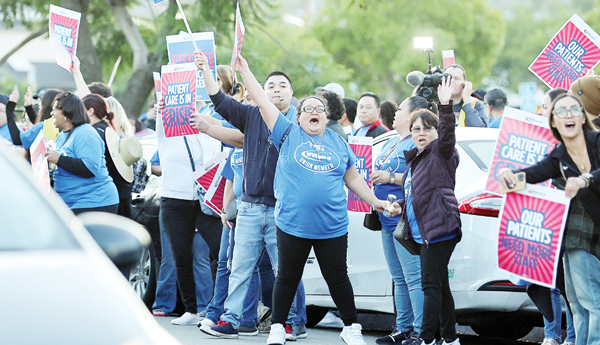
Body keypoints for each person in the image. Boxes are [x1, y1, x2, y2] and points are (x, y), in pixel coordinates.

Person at [233, 52, 391, 345]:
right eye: (306, 108)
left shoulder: (337, 142)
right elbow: (264, 101)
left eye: (318, 108)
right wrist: (244, 71)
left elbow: (353, 178)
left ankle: (351, 328)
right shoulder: (286, 132)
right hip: (293, 224)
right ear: (298, 115)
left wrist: (376, 202)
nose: (313, 111)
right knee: (286, 277)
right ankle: (279, 327)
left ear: (326, 116)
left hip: (331, 226)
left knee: (338, 278)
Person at [194, 50, 306, 340]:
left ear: (292, 93)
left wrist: (243, 71)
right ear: (262, 92)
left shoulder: (301, 122)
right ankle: (230, 320)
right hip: (251, 206)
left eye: (282, 86)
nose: (276, 90)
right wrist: (206, 69)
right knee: (239, 267)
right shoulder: (251, 114)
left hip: (284, 208)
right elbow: (219, 99)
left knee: (285, 270)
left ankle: (292, 321)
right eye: (270, 86)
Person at [498, 94, 600, 345]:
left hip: (587, 232)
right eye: (560, 112)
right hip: (568, 235)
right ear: (553, 121)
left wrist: (586, 179)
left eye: (573, 110)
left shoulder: (596, 140)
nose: (568, 116)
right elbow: (534, 174)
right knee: (576, 304)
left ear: (582, 116)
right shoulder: (561, 153)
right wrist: (510, 176)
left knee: (592, 301)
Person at [398, 77, 461, 345]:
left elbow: (448, 134)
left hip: (440, 229)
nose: (420, 133)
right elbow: (418, 196)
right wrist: (397, 207)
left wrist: (445, 106)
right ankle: (449, 338)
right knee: (441, 289)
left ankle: (425, 338)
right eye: (415, 129)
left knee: (429, 287)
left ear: (436, 131)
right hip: (426, 232)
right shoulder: (417, 159)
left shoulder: (440, 151)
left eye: (426, 128)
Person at [371, 96, 436, 344]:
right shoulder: (393, 141)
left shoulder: (416, 143)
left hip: (405, 218)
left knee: (412, 276)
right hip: (386, 218)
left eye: (400, 109)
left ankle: (420, 329)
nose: (395, 112)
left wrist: (389, 177)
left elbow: (418, 176)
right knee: (398, 277)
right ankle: (403, 327)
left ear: (413, 115)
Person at [148, 151, 214, 319]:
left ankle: (203, 307)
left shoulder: (209, 133)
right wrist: (173, 169)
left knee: (201, 259)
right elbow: (154, 166)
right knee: (171, 258)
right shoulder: (173, 136)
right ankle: (163, 304)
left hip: (201, 202)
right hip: (174, 201)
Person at [535, 86, 576, 345]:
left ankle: (572, 337)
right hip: (541, 217)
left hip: (566, 221)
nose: (541, 111)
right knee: (545, 277)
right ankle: (551, 334)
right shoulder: (535, 137)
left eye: (545, 106)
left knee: (569, 285)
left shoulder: (572, 142)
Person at [44, 92, 119, 215]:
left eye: (55, 109)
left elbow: (90, 168)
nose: (52, 113)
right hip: (70, 202)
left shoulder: (85, 133)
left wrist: (59, 159)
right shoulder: (63, 135)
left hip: (93, 202)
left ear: (68, 113)